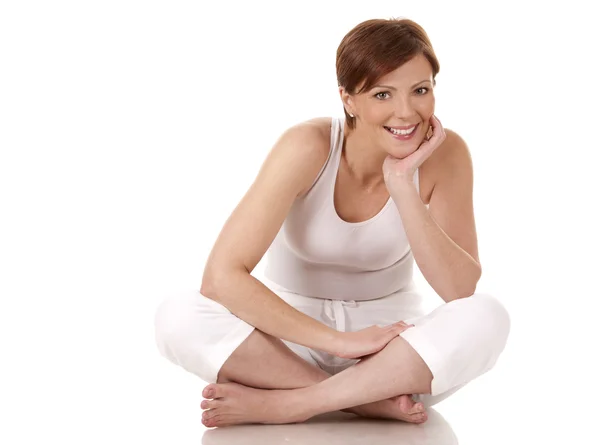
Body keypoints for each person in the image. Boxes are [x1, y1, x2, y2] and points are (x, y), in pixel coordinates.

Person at [154, 17, 511, 428]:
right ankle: (363, 403)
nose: (406, 111)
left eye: (421, 90)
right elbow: (221, 278)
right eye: (382, 94)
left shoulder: (446, 156)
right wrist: (339, 343)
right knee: (176, 314)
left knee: (488, 315)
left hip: (391, 356)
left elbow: (460, 290)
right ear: (348, 99)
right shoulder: (307, 145)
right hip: (285, 348)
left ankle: (293, 404)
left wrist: (402, 183)